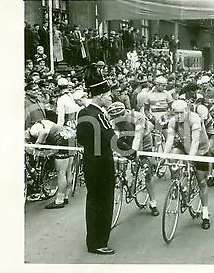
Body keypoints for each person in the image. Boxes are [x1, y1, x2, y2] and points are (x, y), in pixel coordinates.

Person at [76, 64, 136, 255]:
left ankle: (93, 240)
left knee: (93, 201)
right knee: (103, 201)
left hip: (90, 161)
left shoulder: (84, 113)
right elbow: (111, 139)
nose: (111, 98)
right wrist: (131, 153)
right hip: (101, 164)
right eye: (109, 95)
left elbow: (82, 139)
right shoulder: (98, 115)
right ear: (100, 95)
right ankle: (98, 242)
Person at [163, 100, 211, 230]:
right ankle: (178, 183)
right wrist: (163, 157)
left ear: (187, 111)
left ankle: (205, 212)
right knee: (171, 158)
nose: (178, 116)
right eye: (176, 113)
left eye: (181, 113)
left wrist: (190, 161)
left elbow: (195, 141)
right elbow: (169, 141)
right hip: (184, 145)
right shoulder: (173, 121)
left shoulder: (194, 119)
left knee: (202, 182)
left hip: (200, 149)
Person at [107, 102, 160, 216]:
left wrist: (133, 153)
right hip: (126, 139)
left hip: (144, 142)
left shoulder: (137, 116)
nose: (117, 120)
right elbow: (115, 137)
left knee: (147, 172)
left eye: (119, 117)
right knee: (119, 160)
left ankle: (153, 202)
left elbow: (138, 137)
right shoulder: (115, 121)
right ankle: (127, 178)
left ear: (125, 112)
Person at [25, 120, 76, 208]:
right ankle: (65, 196)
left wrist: (36, 146)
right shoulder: (43, 122)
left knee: (61, 172)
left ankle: (59, 201)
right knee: (68, 170)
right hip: (68, 135)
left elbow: (43, 132)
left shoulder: (32, 130)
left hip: (61, 139)